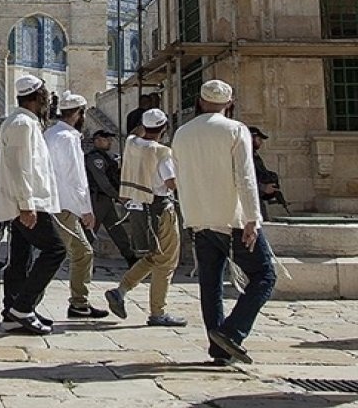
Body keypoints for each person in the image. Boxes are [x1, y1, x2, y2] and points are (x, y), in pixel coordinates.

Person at [172, 80, 275, 365]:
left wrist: (190, 214)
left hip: (199, 218)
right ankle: (231, 332)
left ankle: (218, 348)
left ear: (200, 101)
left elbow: (180, 177)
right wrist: (254, 218)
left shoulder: (182, 133)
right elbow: (245, 177)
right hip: (233, 219)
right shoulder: (235, 129)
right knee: (265, 276)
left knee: (210, 284)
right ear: (229, 104)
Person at [0, 75, 66, 335]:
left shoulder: (26, 123)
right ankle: (22, 307)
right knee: (55, 250)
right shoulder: (22, 124)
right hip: (27, 203)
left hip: (27, 201)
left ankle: (12, 312)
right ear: (37, 97)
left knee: (20, 257)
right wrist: (26, 205)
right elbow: (19, 168)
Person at [104, 109, 186, 327]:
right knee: (166, 261)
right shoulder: (162, 152)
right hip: (159, 209)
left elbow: (137, 133)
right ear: (164, 128)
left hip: (138, 209)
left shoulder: (132, 144)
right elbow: (171, 183)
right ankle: (157, 311)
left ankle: (120, 291)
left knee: (153, 255)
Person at [45, 92, 110, 319]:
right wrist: (86, 210)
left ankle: (78, 303)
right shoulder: (70, 137)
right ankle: (31, 304)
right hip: (65, 206)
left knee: (77, 252)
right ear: (79, 114)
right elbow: (76, 177)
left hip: (53, 203)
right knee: (73, 254)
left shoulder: (50, 134)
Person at [85, 130, 138, 265]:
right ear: (97, 140)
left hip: (106, 200)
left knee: (116, 229)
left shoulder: (106, 158)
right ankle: (82, 262)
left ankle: (130, 258)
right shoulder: (95, 159)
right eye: (106, 139)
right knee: (89, 233)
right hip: (97, 200)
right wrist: (119, 196)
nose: (110, 142)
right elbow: (103, 182)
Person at [249, 127, 285, 218]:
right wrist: (262, 187)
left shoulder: (254, 155)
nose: (261, 142)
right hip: (249, 201)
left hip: (257, 198)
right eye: (259, 139)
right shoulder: (246, 155)